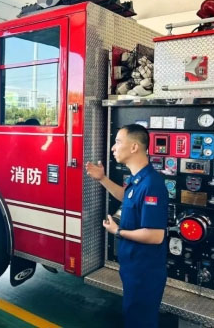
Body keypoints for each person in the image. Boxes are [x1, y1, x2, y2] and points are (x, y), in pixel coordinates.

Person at [85, 124, 168, 328]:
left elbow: (155, 235)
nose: (113, 148)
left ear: (134, 148)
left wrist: (118, 231)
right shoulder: (138, 180)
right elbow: (126, 196)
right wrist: (102, 179)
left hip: (144, 272)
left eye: (118, 142)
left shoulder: (151, 184)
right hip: (133, 268)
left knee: (140, 321)